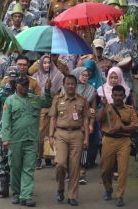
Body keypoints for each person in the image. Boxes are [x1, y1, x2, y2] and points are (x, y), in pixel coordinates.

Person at [0, 76, 52, 207]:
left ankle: (26, 195)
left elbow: (47, 103)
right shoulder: (10, 101)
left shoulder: (34, 99)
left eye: (26, 85)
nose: (24, 87)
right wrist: (5, 139)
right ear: (16, 85)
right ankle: (17, 193)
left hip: (31, 139)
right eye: (22, 85)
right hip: (15, 140)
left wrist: (47, 90)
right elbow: (5, 121)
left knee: (28, 168)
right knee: (16, 167)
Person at [49, 75, 90, 206]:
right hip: (60, 134)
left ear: (76, 85)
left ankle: (72, 195)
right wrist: (50, 136)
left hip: (77, 134)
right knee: (60, 163)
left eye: (73, 84)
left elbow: (85, 120)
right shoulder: (57, 99)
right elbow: (53, 118)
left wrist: (87, 138)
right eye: (68, 84)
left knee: (74, 167)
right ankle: (61, 187)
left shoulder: (82, 100)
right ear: (64, 85)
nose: (71, 86)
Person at [97, 85, 138, 207]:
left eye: (121, 95)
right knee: (105, 169)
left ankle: (120, 195)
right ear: (112, 96)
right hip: (108, 140)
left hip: (124, 141)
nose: (118, 98)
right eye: (116, 95)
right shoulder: (107, 107)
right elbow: (98, 119)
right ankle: (108, 189)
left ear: (124, 96)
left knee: (122, 170)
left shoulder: (130, 109)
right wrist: (103, 107)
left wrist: (122, 127)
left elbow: (134, 126)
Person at [0, 66, 20, 198]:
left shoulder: (23, 91)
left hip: (20, 131)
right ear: (7, 77)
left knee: (18, 160)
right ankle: (4, 187)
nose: (13, 81)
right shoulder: (1, 91)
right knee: (4, 158)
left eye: (15, 78)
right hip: (5, 131)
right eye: (11, 78)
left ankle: (18, 187)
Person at [33, 55, 65, 169]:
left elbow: (61, 93)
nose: (47, 65)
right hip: (40, 110)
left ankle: (49, 157)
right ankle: (38, 157)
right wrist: (45, 91)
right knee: (40, 135)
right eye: (44, 63)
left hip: (53, 109)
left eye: (49, 63)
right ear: (41, 64)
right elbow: (34, 95)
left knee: (52, 134)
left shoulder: (58, 75)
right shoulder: (35, 77)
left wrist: (50, 91)